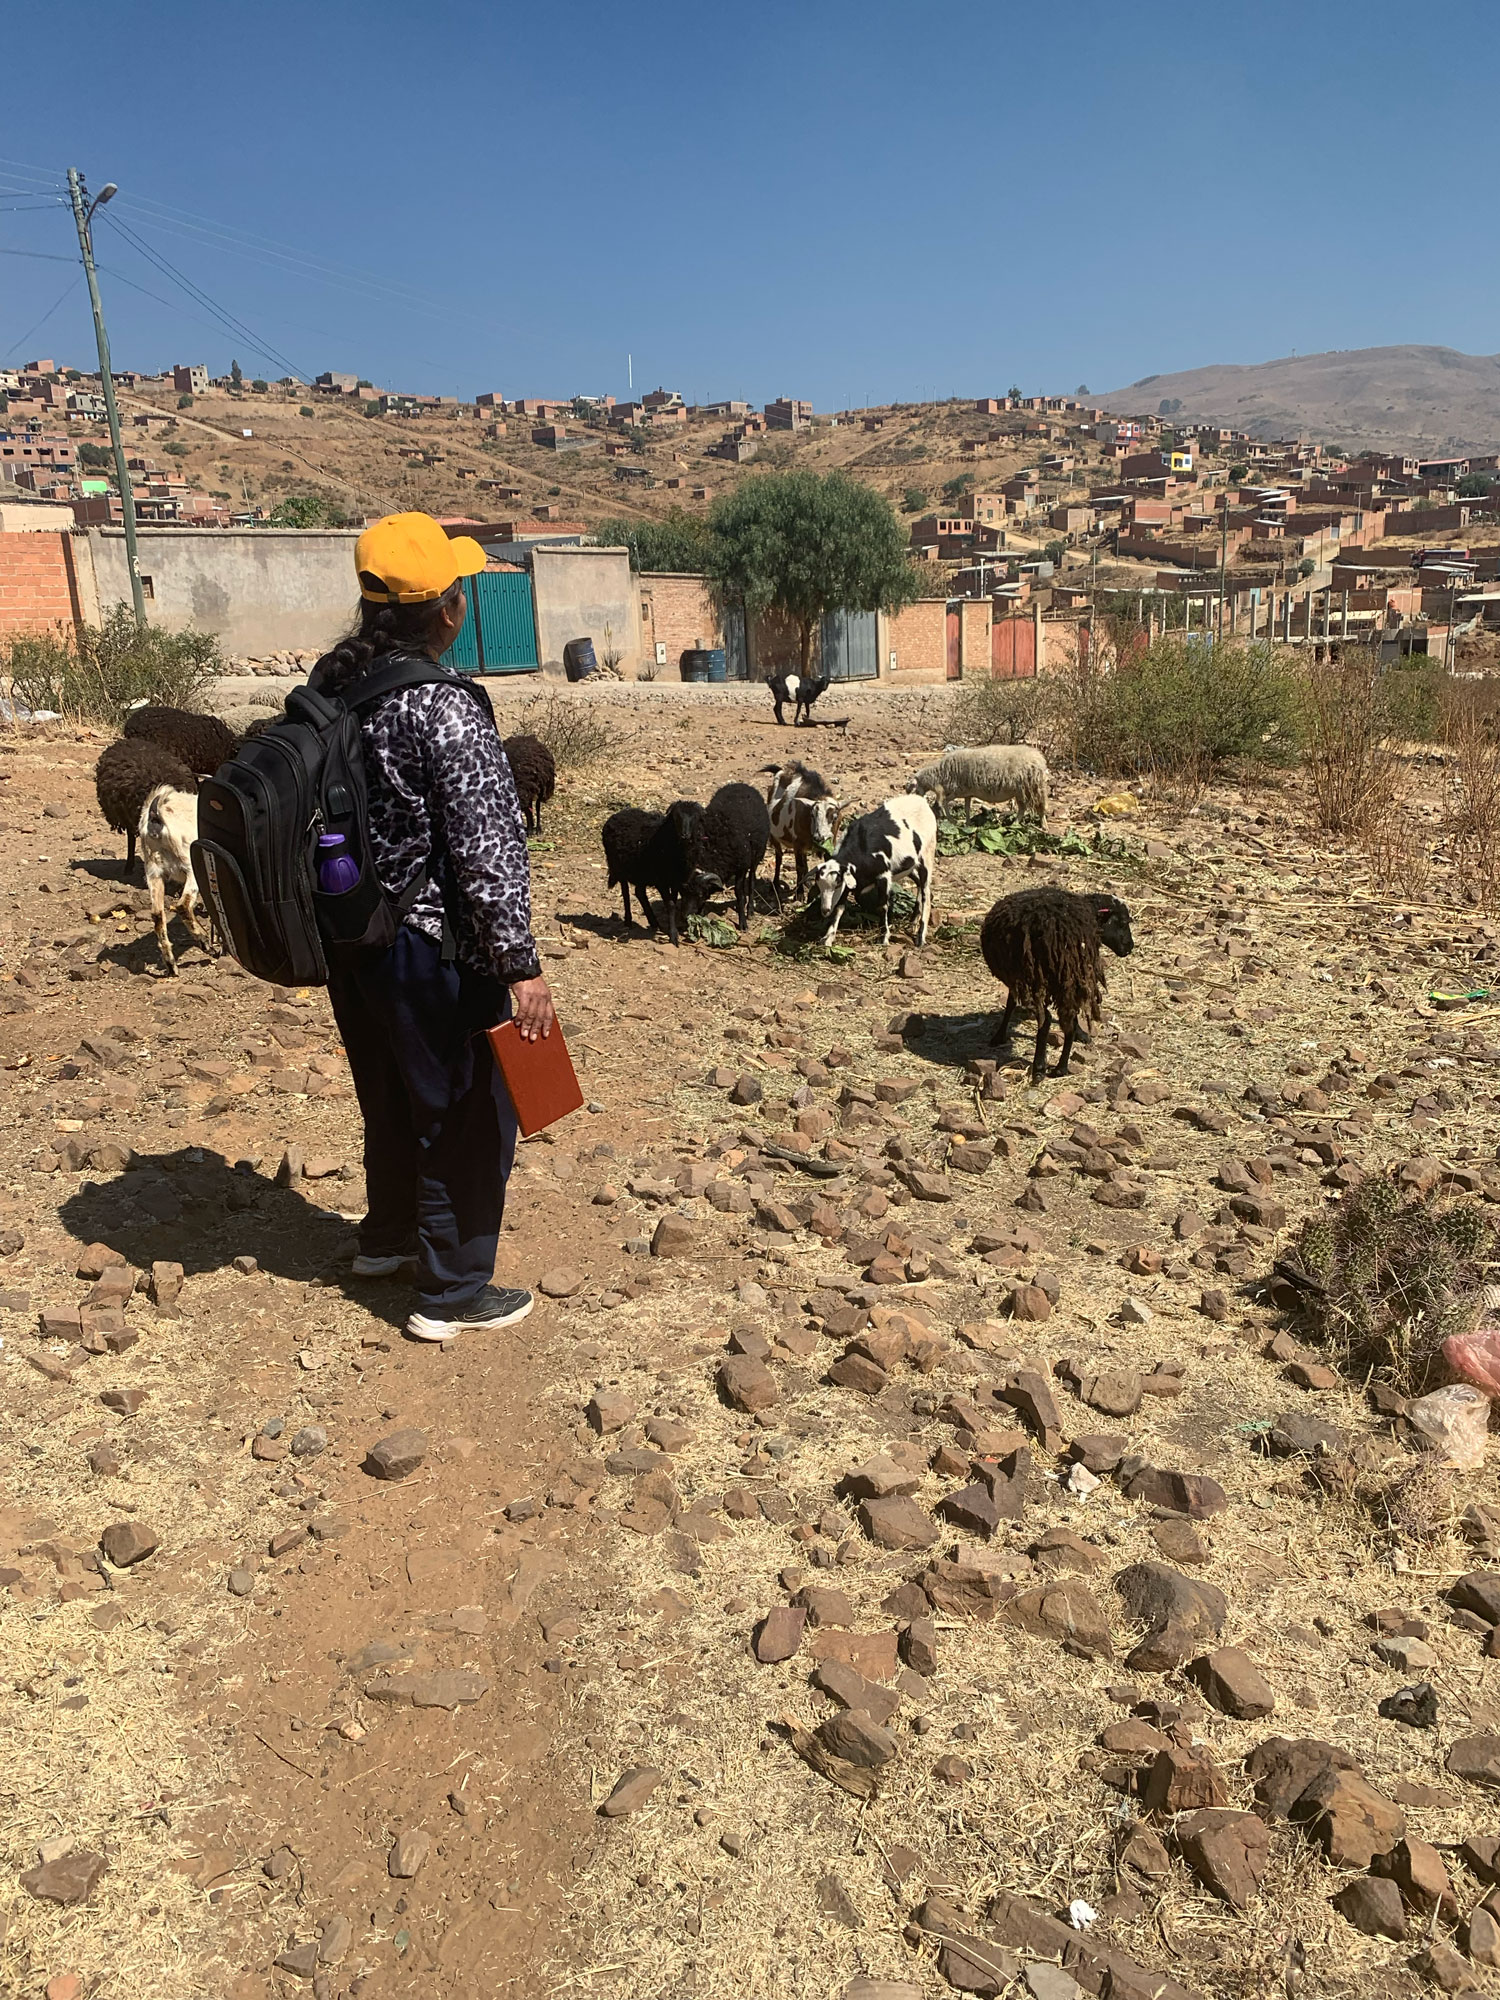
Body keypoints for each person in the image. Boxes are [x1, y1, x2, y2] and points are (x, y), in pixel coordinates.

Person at [308, 511, 554, 1342]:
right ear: (447, 609)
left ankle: (386, 1240)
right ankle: (450, 1294)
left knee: (387, 1093)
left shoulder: (333, 688)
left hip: (353, 941)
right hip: (428, 948)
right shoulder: (444, 709)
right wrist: (520, 966)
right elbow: (488, 849)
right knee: (466, 1111)